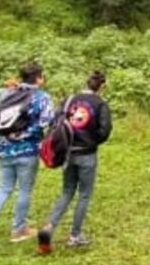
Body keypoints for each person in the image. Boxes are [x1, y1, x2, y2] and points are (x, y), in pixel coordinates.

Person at [0, 63, 54, 255]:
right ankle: (19, 229)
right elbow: (47, 120)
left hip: (3, 150)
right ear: (39, 78)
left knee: (3, 188)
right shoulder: (41, 97)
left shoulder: (8, 94)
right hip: (27, 150)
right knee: (24, 190)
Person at [38, 71, 112, 253]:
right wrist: (92, 140)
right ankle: (75, 235)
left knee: (67, 191)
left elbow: (56, 121)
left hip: (68, 153)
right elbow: (105, 130)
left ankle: (49, 226)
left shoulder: (69, 99)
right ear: (102, 86)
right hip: (87, 154)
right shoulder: (100, 104)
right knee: (84, 194)